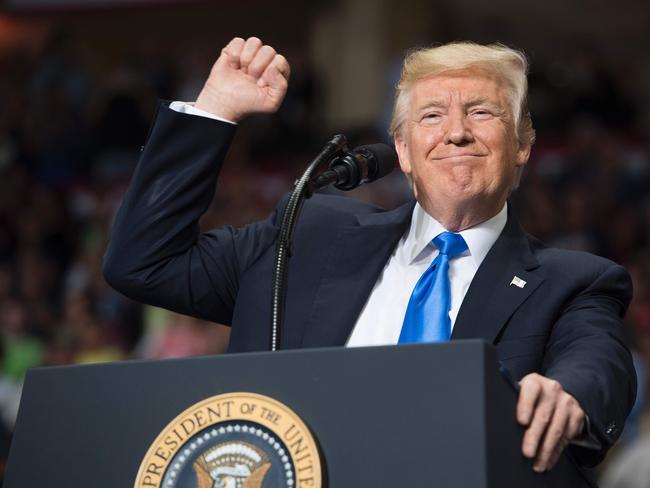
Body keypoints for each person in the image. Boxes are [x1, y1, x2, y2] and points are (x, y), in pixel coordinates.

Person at [103, 37, 636, 476]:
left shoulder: (575, 281)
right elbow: (144, 260)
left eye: (481, 112)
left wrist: (567, 394)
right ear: (402, 150)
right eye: (431, 115)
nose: (455, 131)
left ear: (521, 144)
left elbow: (596, 362)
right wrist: (215, 110)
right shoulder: (308, 235)